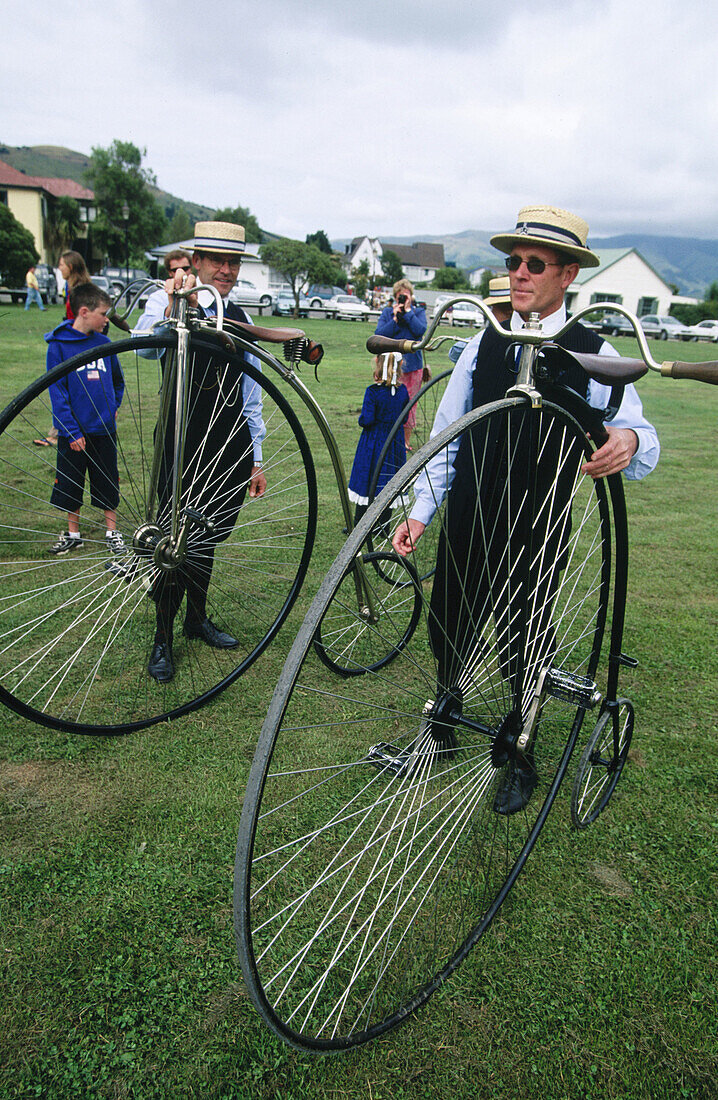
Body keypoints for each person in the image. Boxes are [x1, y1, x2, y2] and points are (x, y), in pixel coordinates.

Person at [392, 204, 660, 814]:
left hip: (538, 520)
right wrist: (421, 510)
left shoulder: (594, 352)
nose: (518, 274)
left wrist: (628, 440)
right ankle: (446, 715)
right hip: (469, 509)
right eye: (513, 262)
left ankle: (518, 743)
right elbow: (446, 433)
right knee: (450, 620)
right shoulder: (484, 342)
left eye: (534, 264)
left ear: (567, 276)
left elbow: (640, 436)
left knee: (527, 639)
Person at [135, 222, 267, 684]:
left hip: (229, 439)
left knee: (208, 533)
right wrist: (178, 306)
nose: (226, 270)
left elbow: (253, 391)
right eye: (217, 261)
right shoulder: (167, 299)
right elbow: (145, 347)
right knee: (173, 540)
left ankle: (196, 618)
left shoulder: (243, 320)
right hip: (182, 438)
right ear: (196, 261)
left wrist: (257, 455)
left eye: (233, 262)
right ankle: (162, 638)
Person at [45, 283, 125, 557]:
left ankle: (112, 533)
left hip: (102, 428)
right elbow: (57, 392)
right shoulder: (59, 345)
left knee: (107, 482)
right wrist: (70, 429)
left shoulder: (104, 344)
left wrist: (113, 407)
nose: (107, 319)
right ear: (84, 311)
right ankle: (73, 534)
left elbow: (117, 381)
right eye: (103, 313)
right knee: (70, 482)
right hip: (73, 433)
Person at [34, 252, 93, 447]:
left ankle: (60, 432)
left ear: (72, 266)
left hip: (76, 345)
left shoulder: (80, 289)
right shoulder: (70, 287)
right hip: (69, 341)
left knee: (66, 388)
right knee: (61, 387)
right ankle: (57, 431)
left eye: (62, 264)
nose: (59, 268)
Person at [347, 353, 409, 528]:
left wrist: (362, 420)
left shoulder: (373, 391)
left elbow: (367, 419)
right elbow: (404, 419)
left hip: (373, 442)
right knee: (388, 479)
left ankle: (359, 525)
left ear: (378, 366)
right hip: (394, 442)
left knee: (367, 476)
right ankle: (384, 525)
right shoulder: (403, 391)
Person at [374, 278, 427, 449]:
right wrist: (395, 319)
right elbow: (379, 335)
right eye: (399, 297)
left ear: (411, 296)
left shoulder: (418, 312)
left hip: (412, 367)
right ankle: (387, 439)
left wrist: (409, 312)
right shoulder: (388, 313)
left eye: (405, 296)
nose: (403, 300)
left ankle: (405, 441)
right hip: (390, 365)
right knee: (388, 401)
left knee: (410, 404)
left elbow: (420, 331)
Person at [132, 249, 192, 335]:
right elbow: (138, 337)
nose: (181, 272)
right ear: (169, 273)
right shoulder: (158, 297)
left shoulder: (202, 294)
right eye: (175, 270)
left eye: (185, 269)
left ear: (191, 269)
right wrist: (170, 309)